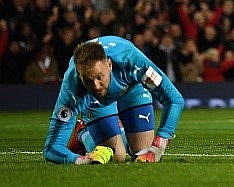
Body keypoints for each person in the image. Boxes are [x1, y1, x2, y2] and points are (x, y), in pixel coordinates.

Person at [43, 35, 185, 164]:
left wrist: (161, 142)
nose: (96, 86)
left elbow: (174, 99)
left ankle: (119, 132)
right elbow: (51, 148)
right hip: (95, 103)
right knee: (116, 156)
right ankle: (83, 132)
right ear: (79, 75)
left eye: (99, 77)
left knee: (144, 151)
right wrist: (80, 160)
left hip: (132, 88)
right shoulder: (72, 87)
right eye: (88, 80)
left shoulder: (132, 61)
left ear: (109, 65)